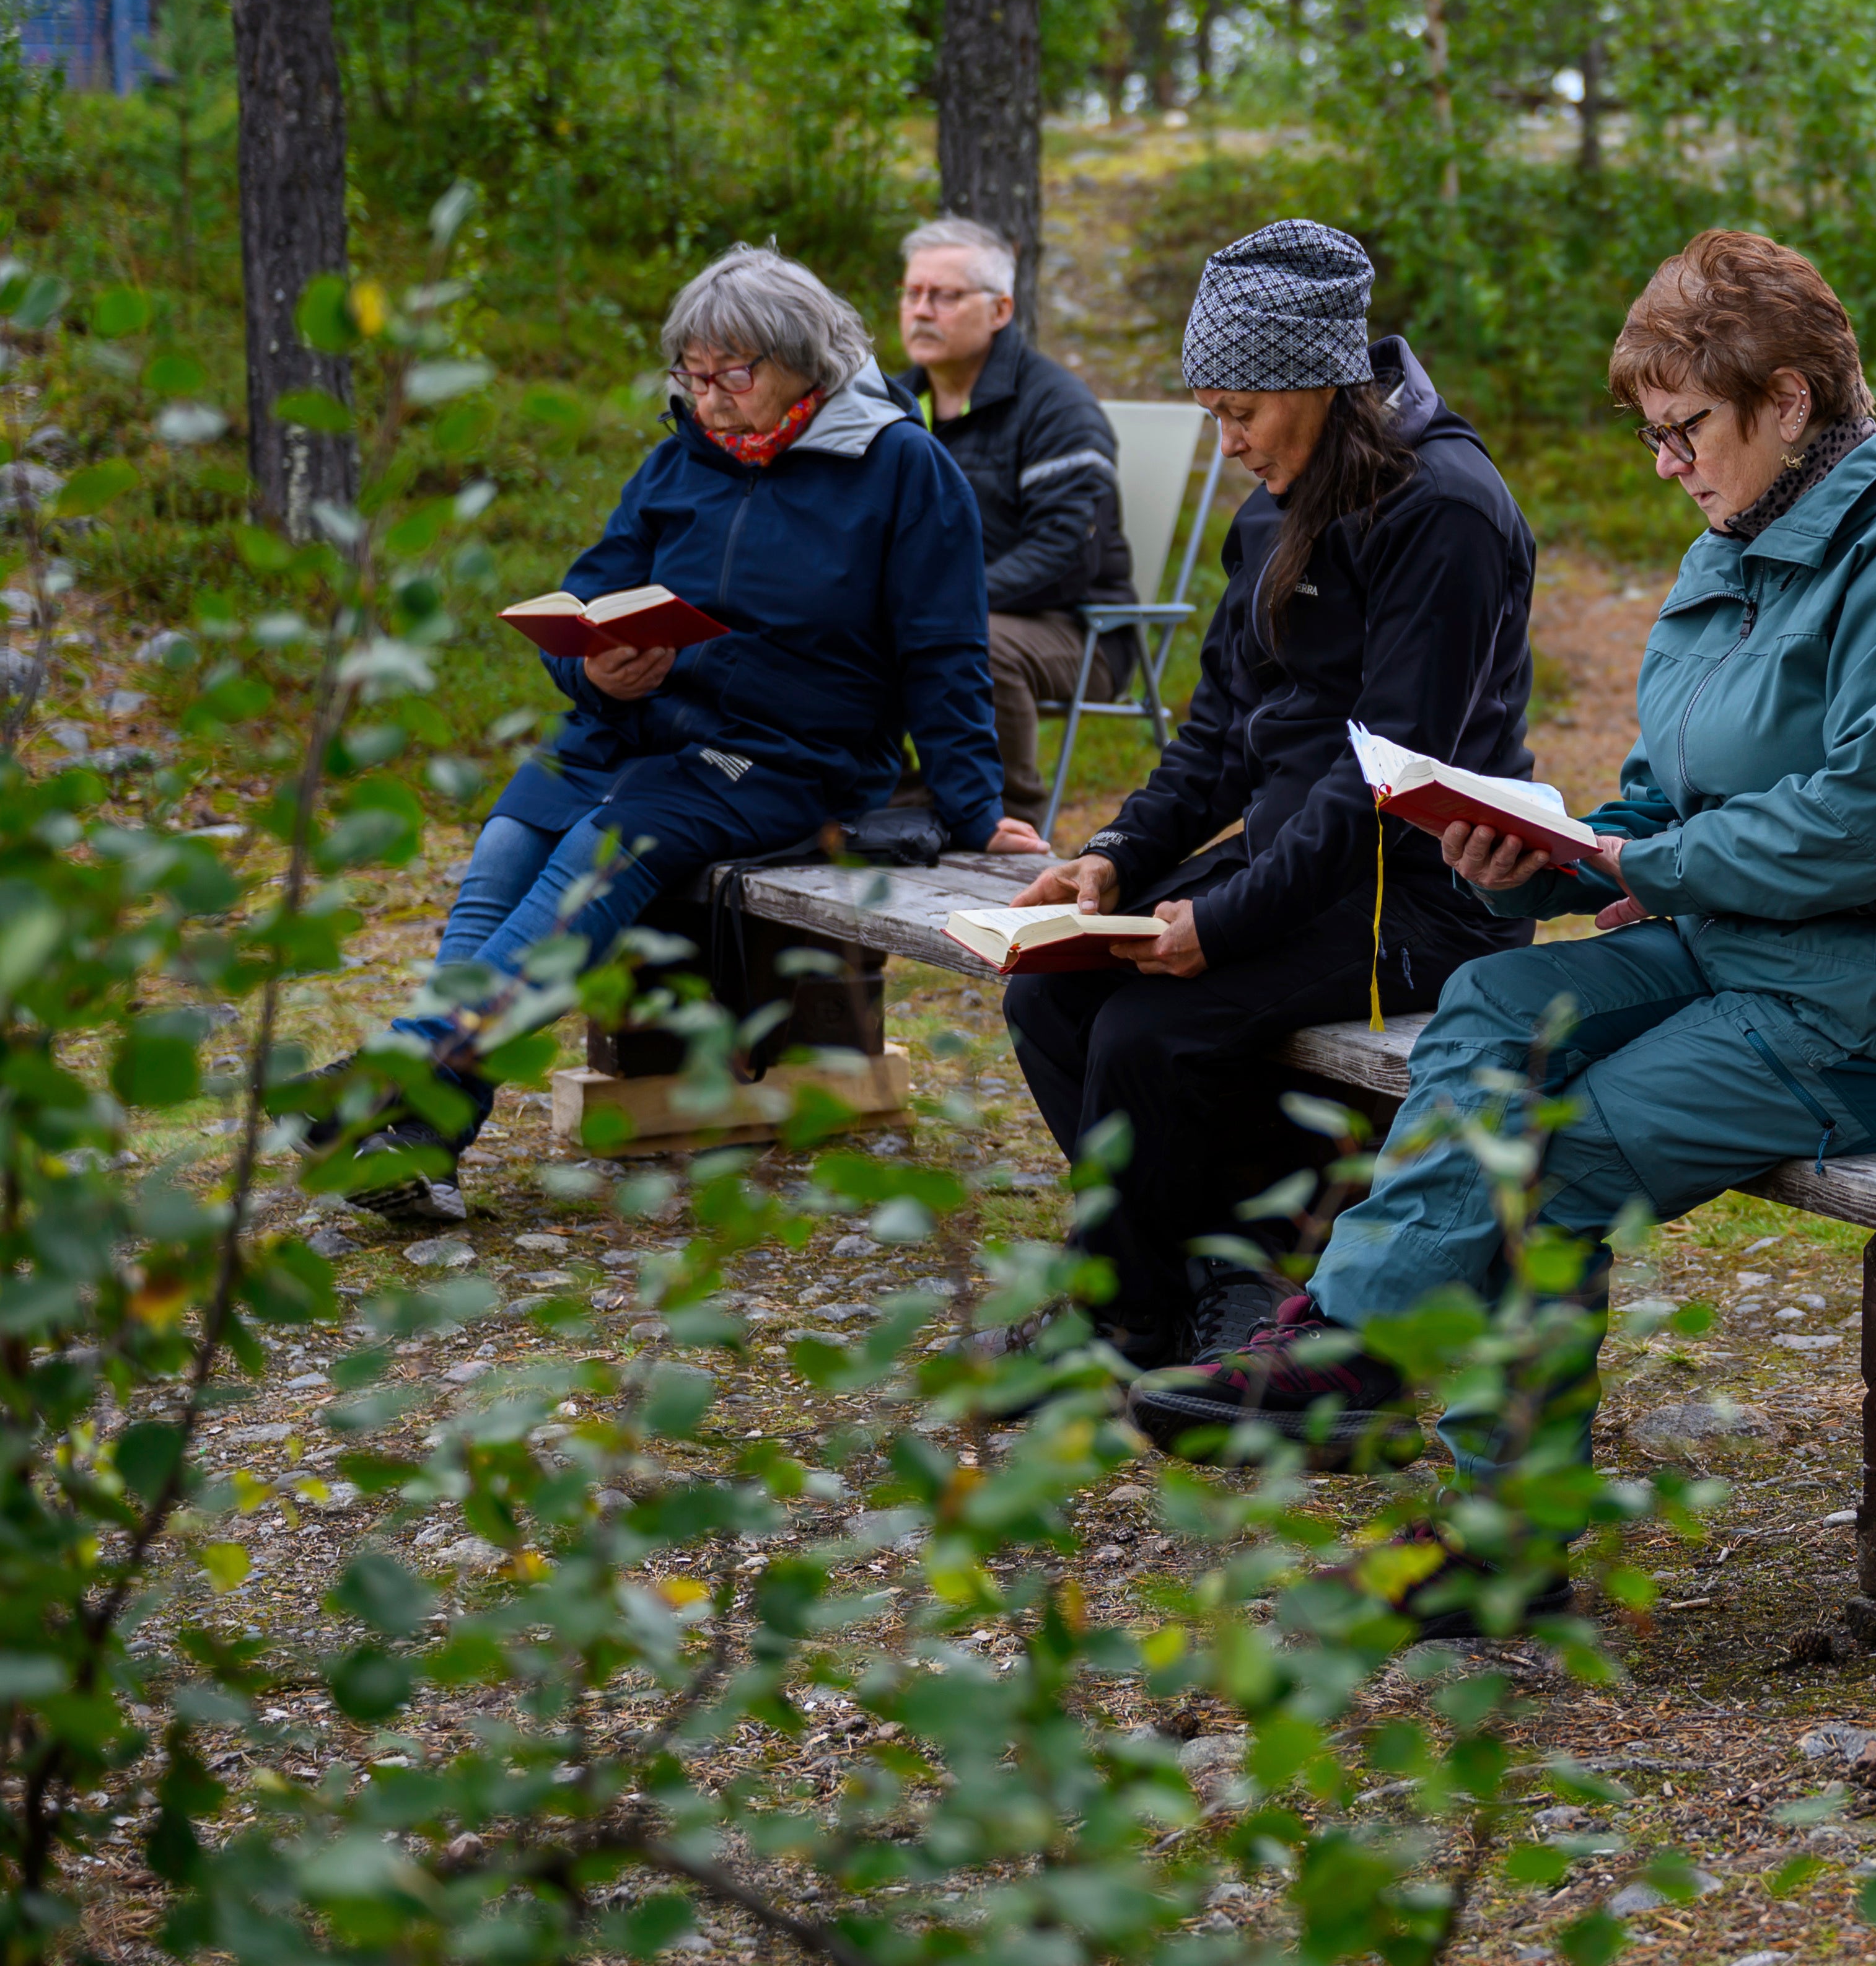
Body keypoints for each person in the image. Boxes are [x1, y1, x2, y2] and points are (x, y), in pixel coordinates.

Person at [1143, 230, 1876, 1556]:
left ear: (1790, 401)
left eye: (1686, 429)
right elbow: (1658, 799)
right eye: (1652, 436)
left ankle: (1495, 1526)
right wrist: (1544, 854)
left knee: (1545, 1160)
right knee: (1491, 999)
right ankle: (1348, 1336)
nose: (1668, 465)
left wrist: (1649, 865)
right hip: (1748, 950)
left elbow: (1867, 831)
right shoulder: (1732, 546)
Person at [311, 245, 1043, 1221]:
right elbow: (589, 590)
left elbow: (944, 655)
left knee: (600, 854)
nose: (708, 398)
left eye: (730, 375)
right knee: (504, 846)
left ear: (805, 359)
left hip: (783, 757)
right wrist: (593, 667)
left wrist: (975, 810)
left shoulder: (902, 468)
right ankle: (424, 1132)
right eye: (692, 376)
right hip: (638, 731)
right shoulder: (680, 460)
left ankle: (396, 1072)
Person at [997, 220, 1541, 1371]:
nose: (1230, 440)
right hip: (1307, 857)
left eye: (1242, 408)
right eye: (1213, 415)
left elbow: (1386, 774)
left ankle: (1147, 1314)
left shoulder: (1443, 508)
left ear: (1325, 381)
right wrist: (1119, 858)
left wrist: (1227, 921)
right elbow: (1219, 735)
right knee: (1050, 997)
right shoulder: (1273, 510)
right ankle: (1193, 1285)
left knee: (1152, 1030)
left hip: (1427, 888)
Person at [890, 216, 1134, 833]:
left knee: (978, 639)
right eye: (913, 292)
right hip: (940, 613)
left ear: (1000, 310)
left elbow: (1063, 554)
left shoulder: (1058, 408)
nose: (922, 310)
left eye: (944, 296)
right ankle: (884, 795)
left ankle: (1007, 818)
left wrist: (940, 606)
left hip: (1077, 630)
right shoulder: (888, 406)